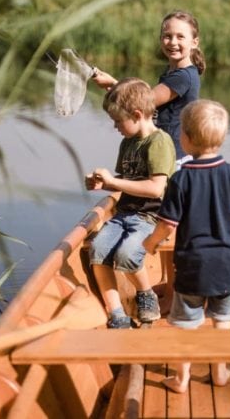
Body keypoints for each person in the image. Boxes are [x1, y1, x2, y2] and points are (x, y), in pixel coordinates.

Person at [143, 99, 230, 393]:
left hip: (192, 267)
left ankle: (181, 378)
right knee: (223, 322)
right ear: (222, 138)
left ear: (184, 139)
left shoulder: (180, 179)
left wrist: (149, 243)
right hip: (227, 266)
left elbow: (167, 225)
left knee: (186, 325)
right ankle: (220, 371)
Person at [92, 11, 206, 308]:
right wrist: (114, 86)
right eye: (167, 35)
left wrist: (112, 84)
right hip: (167, 156)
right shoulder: (171, 73)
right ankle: (169, 288)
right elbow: (140, 104)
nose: (173, 42)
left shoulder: (183, 75)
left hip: (176, 161)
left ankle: (173, 294)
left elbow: (144, 102)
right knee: (168, 226)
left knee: (171, 229)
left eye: (181, 36)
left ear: (195, 42)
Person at [85, 78, 176, 329]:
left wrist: (114, 182)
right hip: (124, 213)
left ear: (137, 115)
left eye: (117, 121)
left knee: (127, 254)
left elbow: (156, 189)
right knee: (98, 251)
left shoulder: (159, 142)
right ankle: (116, 313)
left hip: (151, 217)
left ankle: (146, 295)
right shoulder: (127, 142)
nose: (115, 127)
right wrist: (103, 184)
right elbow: (126, 181)